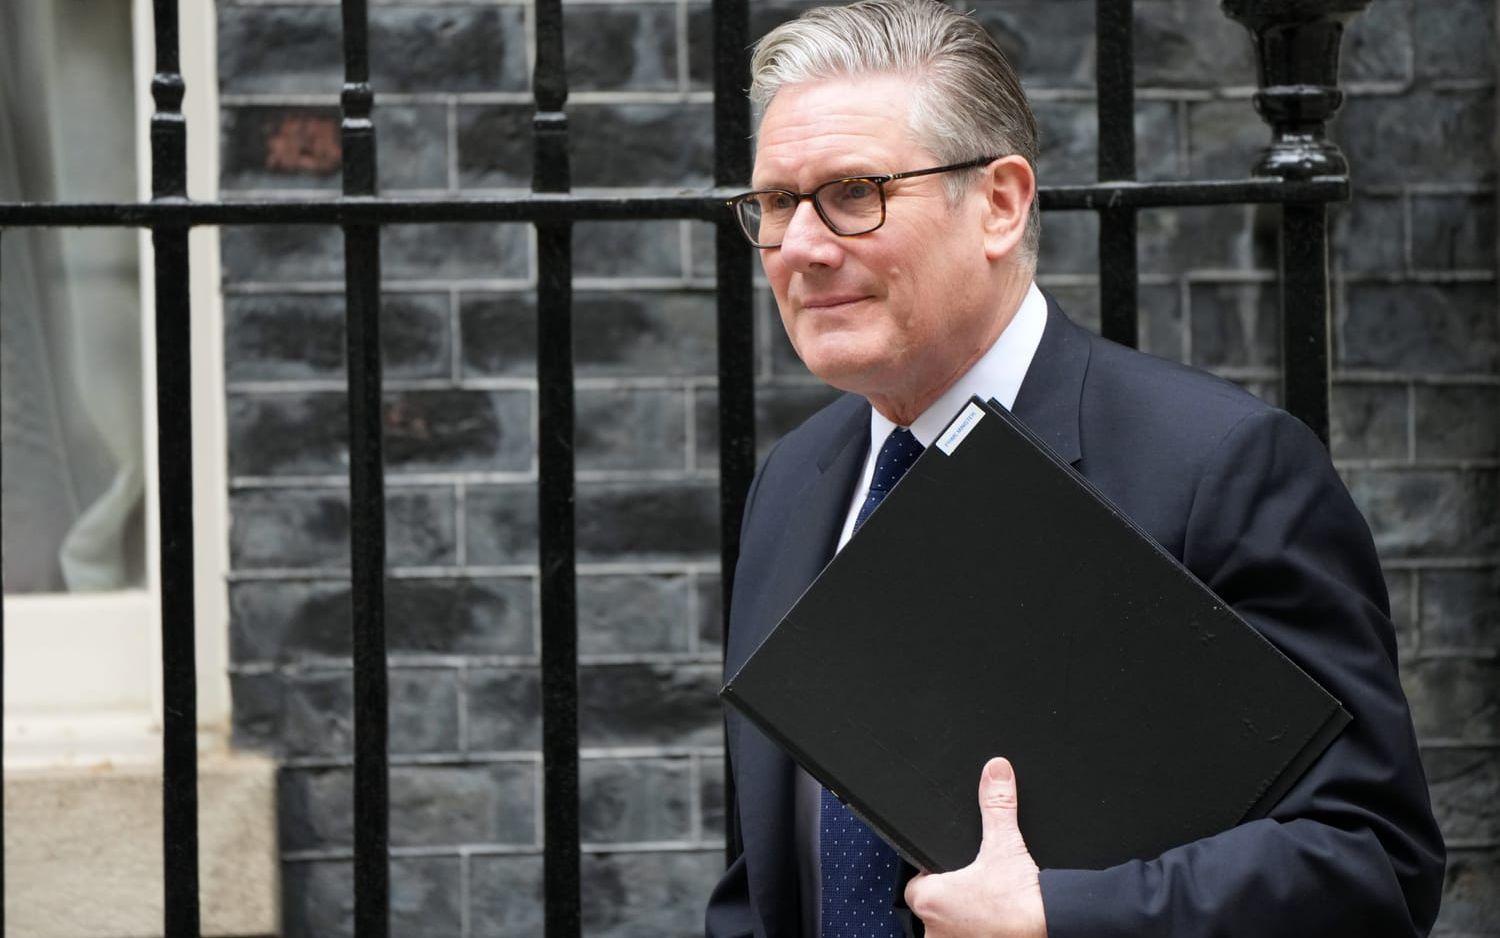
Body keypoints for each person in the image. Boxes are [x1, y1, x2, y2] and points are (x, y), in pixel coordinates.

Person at [704, 1, 1446, 936]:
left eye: (856, 192)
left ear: (1002, 205)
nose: (803, 247)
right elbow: (768, 877)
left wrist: (1062, 915)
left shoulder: (1219, 468)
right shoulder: (793, 484)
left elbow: (1372, 859)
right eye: (776, 203)